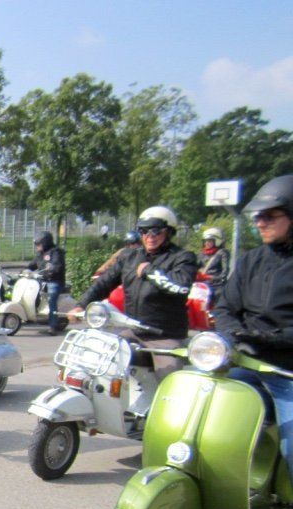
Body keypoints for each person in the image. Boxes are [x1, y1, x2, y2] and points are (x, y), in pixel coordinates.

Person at [212, 175, 293, 480]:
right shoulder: (250, 261)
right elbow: (224, 308)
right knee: (204, 413)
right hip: (246, 364)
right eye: (259, 216)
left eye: (270, 216)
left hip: (287, 373)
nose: (260, 222)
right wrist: (234, 335)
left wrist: (266, 338)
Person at [72, 205, 197, 380]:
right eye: (144, 231)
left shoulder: (182, 257)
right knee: (100, 363)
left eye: (156, 231)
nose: (149, 236)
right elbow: (104, 282)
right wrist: (81, 305)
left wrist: (150, 272)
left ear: (169, 232)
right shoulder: (130, 257)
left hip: (164, 336)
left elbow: (181, 287)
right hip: (133, 332)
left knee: (170, 379)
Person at [28, 231, 67, 334]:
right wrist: (25, 270)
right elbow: (33, 264)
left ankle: (53, 326)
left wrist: (50, 271)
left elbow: (57, 266)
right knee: (30, 290)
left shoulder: (56, 252)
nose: (37, 246)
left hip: (54, 281)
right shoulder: (41, 254)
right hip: (42, 280)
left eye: (38, 244)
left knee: (51, 298)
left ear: (45, 243)